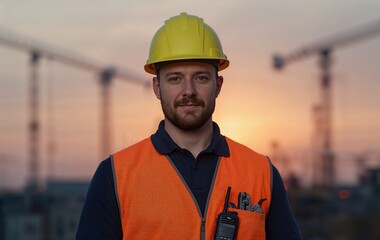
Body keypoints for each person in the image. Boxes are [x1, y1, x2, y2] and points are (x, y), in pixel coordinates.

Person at [76, 12, 302, 240]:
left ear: (218, 85)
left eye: (201, 78)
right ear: (157, 87)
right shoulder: (115, 175)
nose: (188, 91)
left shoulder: (261, 173)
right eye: (175, 78)